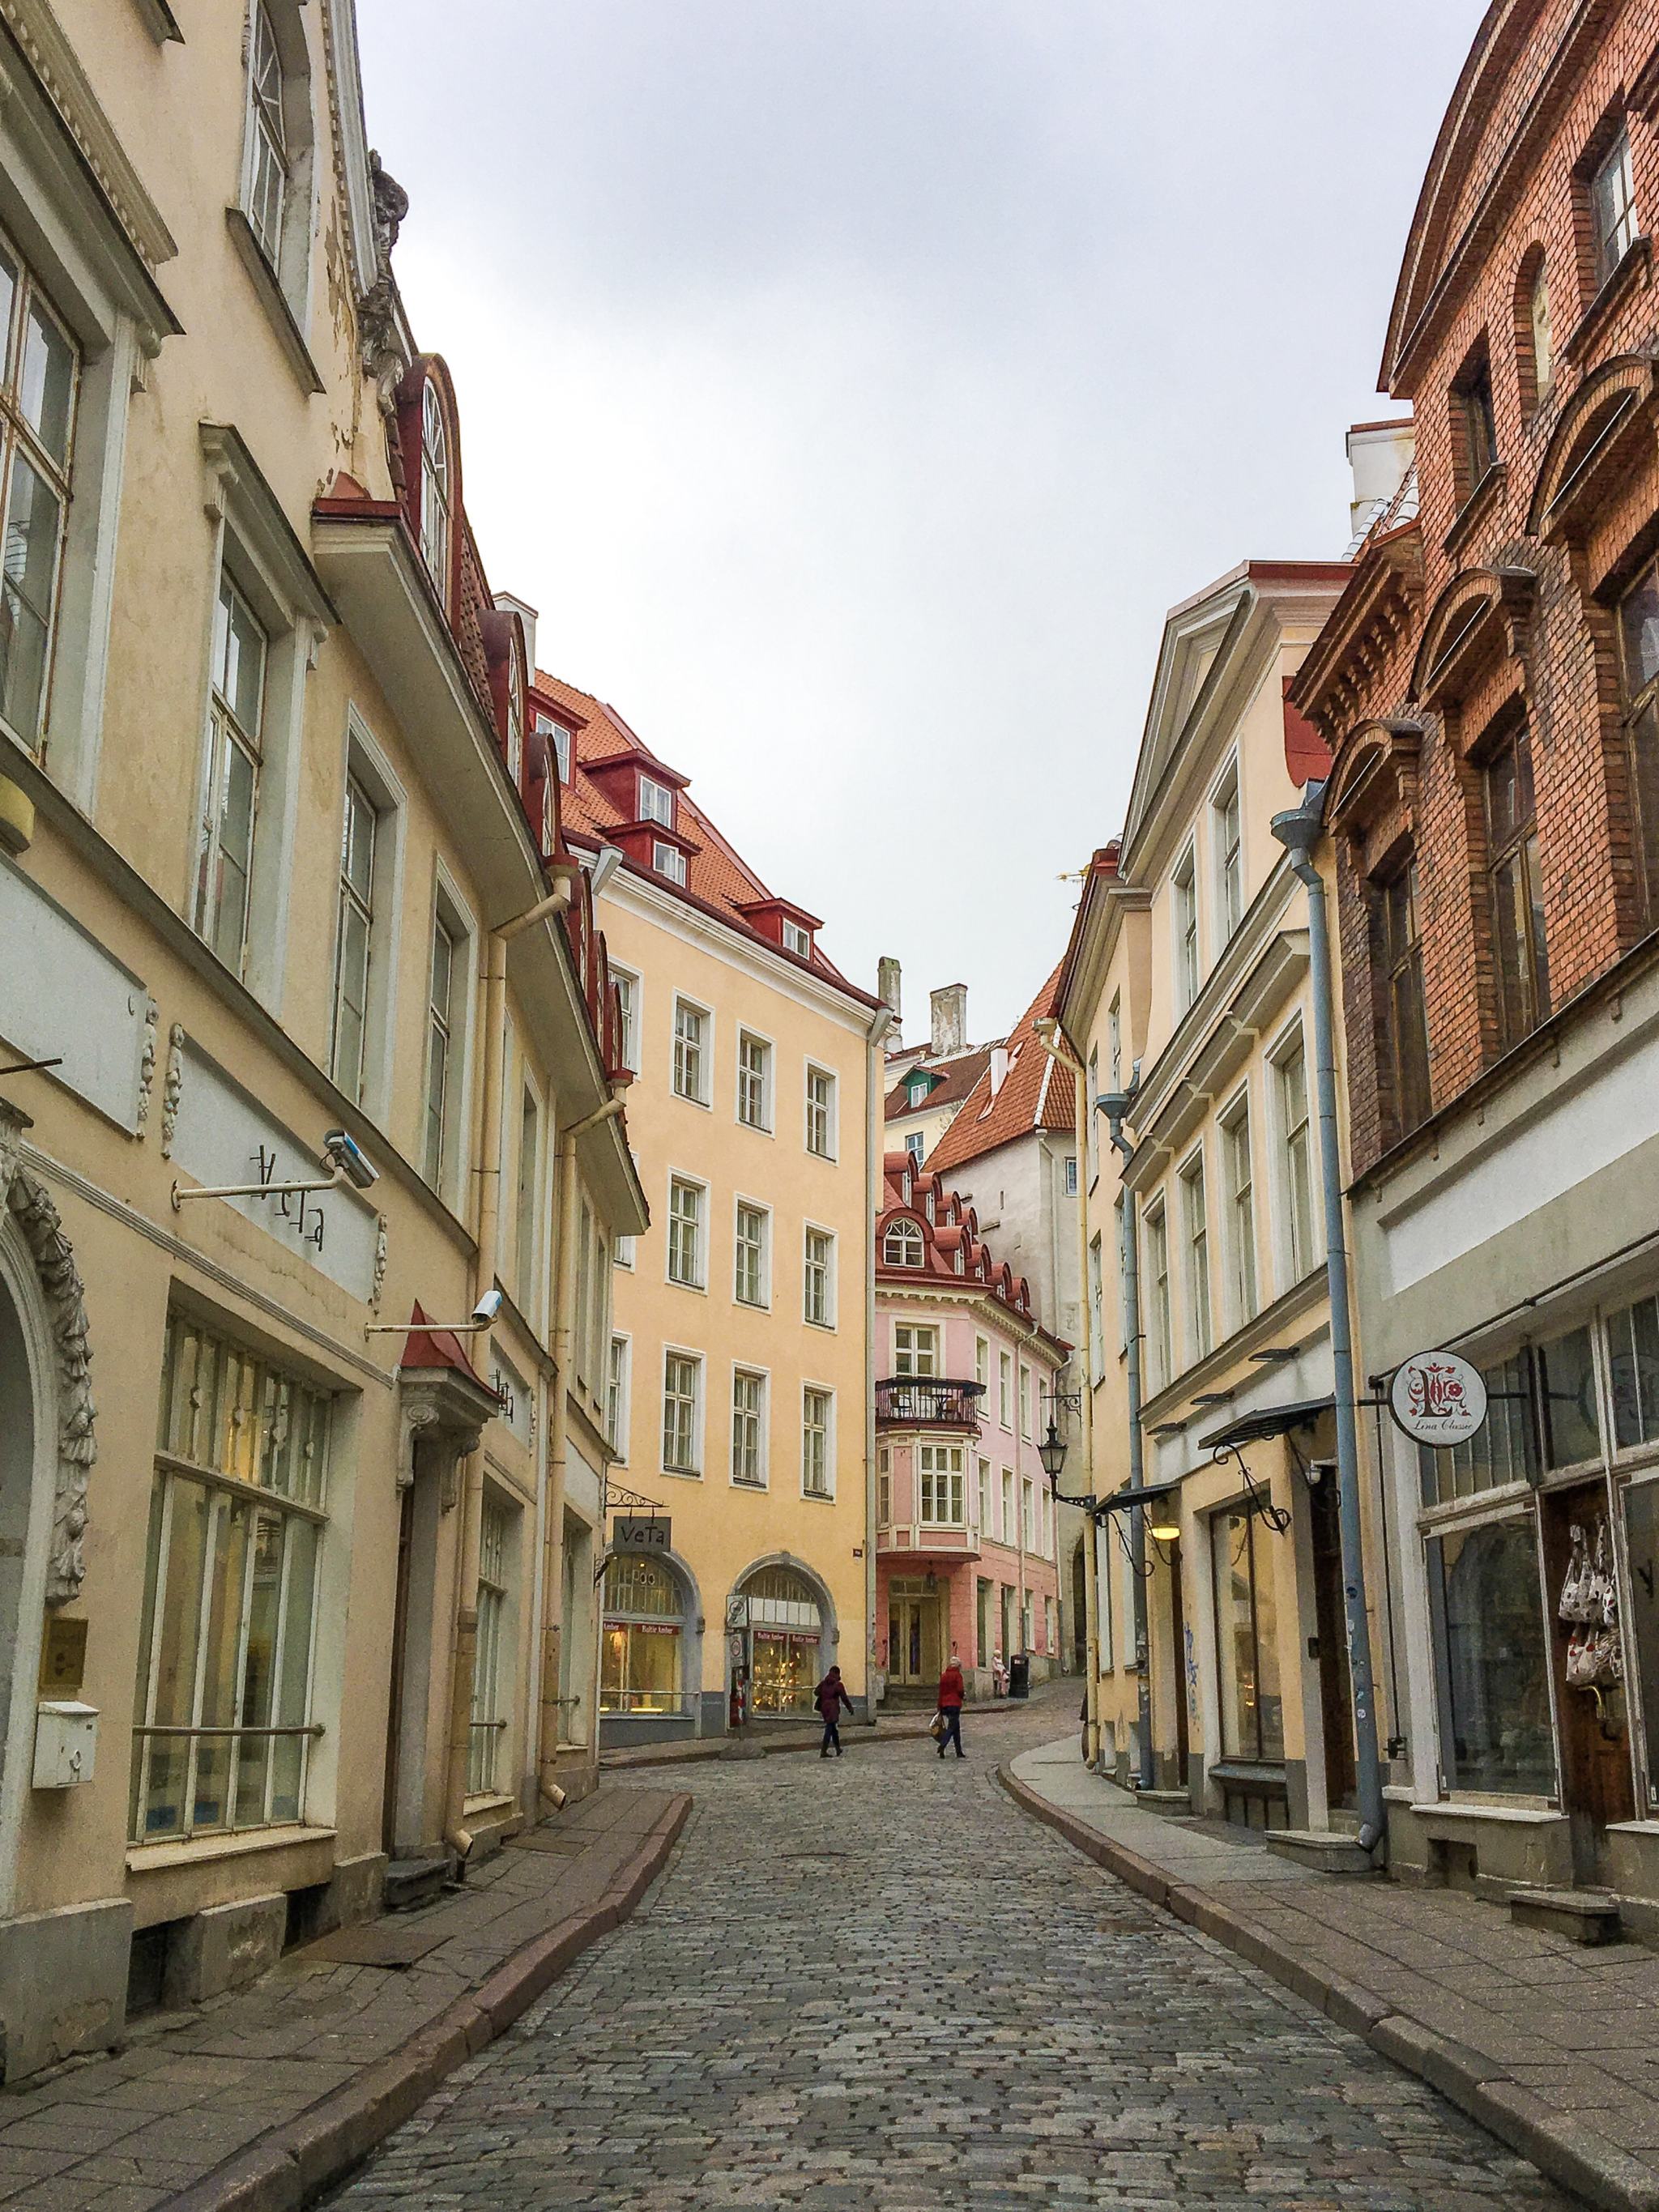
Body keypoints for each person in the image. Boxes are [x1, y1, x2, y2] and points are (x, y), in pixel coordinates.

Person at [815, 1664, 852, 1758]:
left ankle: (838, 1748)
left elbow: (816, 1692)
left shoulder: (824, 1683)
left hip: (824, 1708)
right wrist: (850, 1708)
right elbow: (844, 1698)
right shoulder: (838, 1685)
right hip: (833, 1709)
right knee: (829, 1729)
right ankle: (824, 1751)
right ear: (837, 1674)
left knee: (833, 1729)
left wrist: (824, 1694)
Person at [936, 1652, 966, 1760]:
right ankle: (943, 1744)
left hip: (945, 1704)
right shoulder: (957, 1675)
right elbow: (960, 1689)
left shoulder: (944, 1676)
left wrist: (939, 1706)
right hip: (954, 1704)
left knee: (956, 1728)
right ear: (958, 1666)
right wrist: (963, 1696)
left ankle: (959, 1751)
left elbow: (941, 1692)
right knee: (952, 1727)